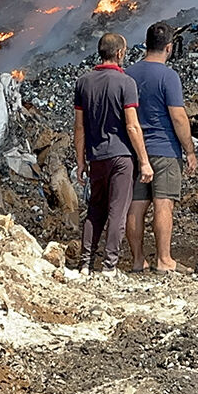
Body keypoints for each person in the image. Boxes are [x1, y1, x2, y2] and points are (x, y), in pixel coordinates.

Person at [75, 33, 153, 277]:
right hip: (121, 157)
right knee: (117, 211)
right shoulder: (126, 83)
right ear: (120, 53)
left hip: (96, 157)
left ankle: (85, 264)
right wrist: (144, 161)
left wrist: (80, 161)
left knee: (95, 210)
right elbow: (132, 125)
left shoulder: (83, 82)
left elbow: (79, 127)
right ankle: (109, 266)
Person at [125, 22, 198, 274]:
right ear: (168, 47)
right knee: (163, 204)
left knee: (136, 204)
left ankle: (137, 260)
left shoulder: (129, 74)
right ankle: (164, 260)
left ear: (146, 44)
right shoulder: (169, 76)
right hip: (165, 150)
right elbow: (178, 116)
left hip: (136, 151)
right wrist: (189, 150)